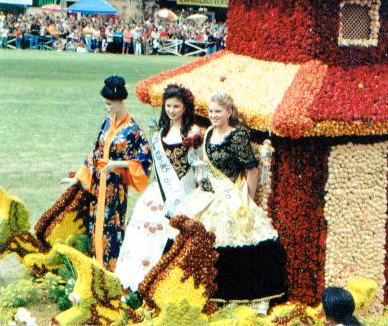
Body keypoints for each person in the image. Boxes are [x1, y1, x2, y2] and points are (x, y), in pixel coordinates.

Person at [176, 92, 285, 314]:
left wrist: (249, 198)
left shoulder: (238, 136)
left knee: (234, 243)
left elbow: (252, 170)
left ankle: (236, 297)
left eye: (218, 111)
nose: (213, 115)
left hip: (232, 198)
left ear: (229, 112)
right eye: (211, 112)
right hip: (207, 196)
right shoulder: (207, 133)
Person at [60, 75, 152, 270]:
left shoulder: (133, 130)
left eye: (109, 104)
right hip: (98, 185)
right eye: (105, 104)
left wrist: (118, 164)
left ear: (120, 101)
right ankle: (97, 268)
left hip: (114, 188)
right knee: (96, 227)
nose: (107, 108)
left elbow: (144, 161)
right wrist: (77, 178)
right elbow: (94, 153)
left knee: (112, 229)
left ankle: (112, 272)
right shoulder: (106, 123)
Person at [115, 84, 200, 291]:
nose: (171, 110)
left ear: (185, 107)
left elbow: (199, 164)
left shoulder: (193, 132)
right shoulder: (161, 132)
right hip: (159, 191)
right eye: (168, 106)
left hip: (184, 191)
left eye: (176, 106)